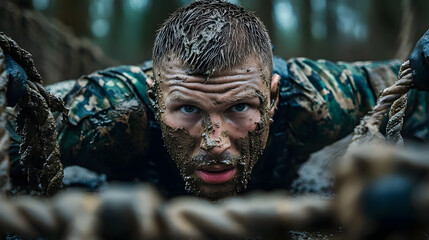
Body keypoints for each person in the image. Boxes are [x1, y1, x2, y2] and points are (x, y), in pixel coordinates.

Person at [4, 0, 429, 200]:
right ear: (155, 99)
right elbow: (19, 124)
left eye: (238, 108)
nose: (215, 142)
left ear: (274, 97)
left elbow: (410, 86)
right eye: (188, 109)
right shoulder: (109, 112)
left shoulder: (318, 98)